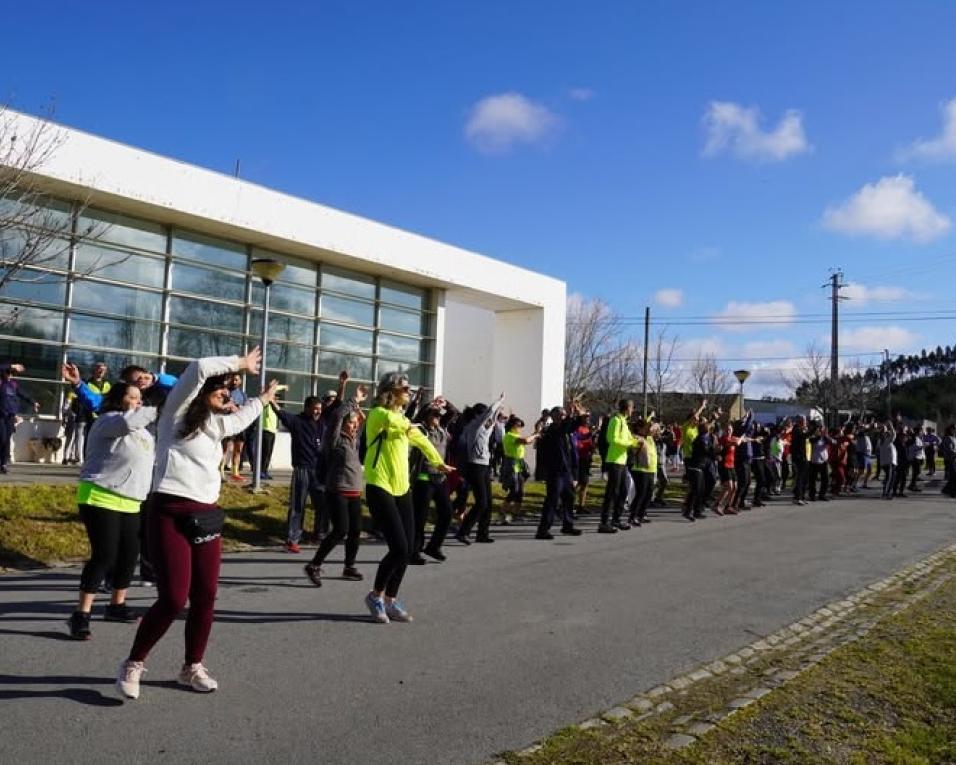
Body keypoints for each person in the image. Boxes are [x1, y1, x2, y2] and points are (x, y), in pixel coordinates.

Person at [116, 348, 277, 700]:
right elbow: (199, 366)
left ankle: (192, 667)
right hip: (169, 512)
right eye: (223, 388)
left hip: (205, 515)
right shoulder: (176, 411)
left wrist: (263, 400)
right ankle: (133, 663)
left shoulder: (217, 424)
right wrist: (240, 364)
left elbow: (241, 419)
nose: (228, 395)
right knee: (174, 598)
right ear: (205, 390)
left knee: (205, 596)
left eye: (230, 390)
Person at [62, 368, 157, 640]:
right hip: (100, 495)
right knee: (104, 555)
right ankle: (81, 614)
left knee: (129, 555)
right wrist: (159, 407)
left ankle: (117, 605)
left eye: (140, 398)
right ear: (118, 399)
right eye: (133, 397)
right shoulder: (109, 420)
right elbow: (130, 421)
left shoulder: (143, 432)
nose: (138, 402)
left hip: (132, 500)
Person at [362, 372, 452, 624]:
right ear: (390, 391)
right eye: (405, 389)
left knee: (410, 548)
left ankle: (391, 600)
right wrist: (412, 422)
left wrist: (438, 462)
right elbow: (397, 422)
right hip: (380, 485)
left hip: (402, 488)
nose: (408, 392)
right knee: (399, 548)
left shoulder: (403, 421)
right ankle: (375, 596)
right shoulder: (378, 414)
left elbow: (422, 440)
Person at [303, 384, 368, 586]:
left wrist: (358, 411)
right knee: (340, 530)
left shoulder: (355, 441)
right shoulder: (335, 439)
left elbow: (361, 421)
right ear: (343, 425)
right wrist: (353, 400)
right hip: (337, 491)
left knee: (355, 531)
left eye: (356, 424)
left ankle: (349, 566)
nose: (355, 426)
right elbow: (337, 417)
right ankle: (314, 564)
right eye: (351, 423)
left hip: (355, 491)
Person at [274, 394, 327, 553]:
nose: (318, 412)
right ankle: (293, 540)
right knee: (298, 505)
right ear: (307, 408)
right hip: (302, 469)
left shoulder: (322, 424)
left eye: (320, 409)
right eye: (315, 409)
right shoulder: (297, 422)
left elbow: (337, 410)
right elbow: (280, 413)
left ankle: (319, 534)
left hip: (319, 471)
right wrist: (270, 400)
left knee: (323, 504)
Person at [456, 393, 507, 544]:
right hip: (475, 466)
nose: (488, 419)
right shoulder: (474, 426)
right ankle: (463, 531)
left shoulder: (484, 427)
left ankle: (482, 534)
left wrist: (498, 413)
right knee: (481, 502)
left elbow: (493, 423)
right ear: (478, 415)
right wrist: (499, 401)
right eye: (484, 415)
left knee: (488, 502)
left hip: (484, 465)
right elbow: (489, 412)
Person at [411, 400, 458, 562]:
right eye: (434, 414)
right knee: (420, 517)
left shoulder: (442, 429)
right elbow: (417, 418)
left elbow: (453, 413)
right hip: (424, 479)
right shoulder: (420, 430)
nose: (438, 417)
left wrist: (445, 404)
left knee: (447, 513)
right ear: (426, 416)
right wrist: (429, 404)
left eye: (439, 415)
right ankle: (414, 552)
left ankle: (434, 546)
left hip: (440, 478)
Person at [535, 404, 582, 539]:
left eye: (564, 415)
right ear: (554, 417)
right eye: (561, 415)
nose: (563, 417)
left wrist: (578, 414)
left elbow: (573, 426)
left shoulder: (565, 431)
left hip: (566, 471)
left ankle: (568, 525)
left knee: (569, 497)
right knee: (552, 500)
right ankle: (543, 530)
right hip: (555, 472)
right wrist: (571, 415)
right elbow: (566, 426)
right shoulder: (552, 430)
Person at [600, 399, 637, 533]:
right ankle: (604, 523)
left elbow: (629, 438)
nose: (633, 410)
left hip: (622, 461)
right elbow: (611, 438)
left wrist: (636, 441)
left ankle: (616, 519)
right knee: (612, 492)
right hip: (614, 460)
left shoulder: (624, 422)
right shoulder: (615, 420)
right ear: (627, 408)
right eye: (632, 407)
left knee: (624, 490)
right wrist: (629, 443)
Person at [0, 362, 39, 473]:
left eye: (11, 373)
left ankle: (3, 464)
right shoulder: (1, 382)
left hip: (10, 416)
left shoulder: (13, 385)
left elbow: (23, 394)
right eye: (8, 372)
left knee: (7, 440)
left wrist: (33, 402)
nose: (9, 375)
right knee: (2, 438)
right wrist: (13, 366)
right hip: (1, 416)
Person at [499, 414, 537, 525]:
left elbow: (528, 441)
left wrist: (535, 434)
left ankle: (515, 514)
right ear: (512, 426)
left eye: (521, 426)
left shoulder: (516, 436)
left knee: (520, 491)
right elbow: (526, 440)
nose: (520, 428)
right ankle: (503, 512)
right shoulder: (509, 435)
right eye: (518, 425)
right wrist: (535, 435)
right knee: (514, 490)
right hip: (512, 465)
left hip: (519, 464)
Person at [627, 419, 657, 526]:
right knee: (641, 493)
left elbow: (655, 427)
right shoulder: (636, 437)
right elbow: (633, 449)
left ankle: (641, 514)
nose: (648, 430)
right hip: (640, 469)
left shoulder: (649, 438)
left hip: (651, 469)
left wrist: (651, 423)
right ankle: (632, 516)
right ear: (639, 428)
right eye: (645, 428)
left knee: (649, 494)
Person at [219, 374, 247, 482]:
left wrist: (238, 408)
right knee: (226, 448)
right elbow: (221, 407)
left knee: (238, 448)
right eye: (233, 379)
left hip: (240, 425)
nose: (234, 382)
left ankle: (235, 472)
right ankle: (221, 471)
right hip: (229, 424)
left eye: (236, 380)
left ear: (240, 381)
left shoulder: (243, 395)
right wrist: (229, 407)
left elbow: (245, 409)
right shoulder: (226, 392)